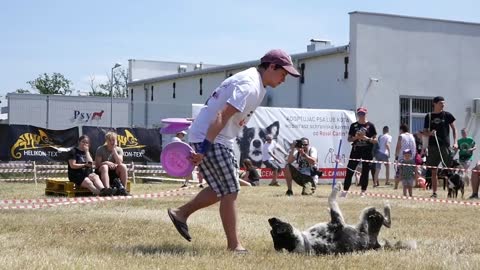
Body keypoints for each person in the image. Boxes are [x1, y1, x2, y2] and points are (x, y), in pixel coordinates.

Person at [167, 49, 300, 253]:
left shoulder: (256, 84)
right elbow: (221, 115)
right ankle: (234, 246)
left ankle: (180, 213)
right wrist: (204, 148)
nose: (284, 79)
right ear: (272, 67)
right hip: (212, 138)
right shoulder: (249, 85)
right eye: (283, 74)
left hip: (217, 137)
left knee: (221, 189)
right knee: (231, 190)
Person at [423, 96, 457, 198]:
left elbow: (454, 130)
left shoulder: (447, 115)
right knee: (434, 170)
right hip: (433, 146)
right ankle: (434, 192)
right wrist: (430, 133)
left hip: (445, 146)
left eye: (443, 103)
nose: (443, 105)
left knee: (448, 169)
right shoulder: (428, 116)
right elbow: (424, 132)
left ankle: (450, 192)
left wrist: (455, 143)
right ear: (434, 104)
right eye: (440, 103)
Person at [341, 107, 377, 197]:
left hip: (367, 150)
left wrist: (366, 138)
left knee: (365, 171)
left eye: (363, 114)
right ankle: (345, 191)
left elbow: (375, 140)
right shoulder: (354, 126)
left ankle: (363, 191)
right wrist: (356, 137)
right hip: (356, 149)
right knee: (350, 170)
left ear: (366, 114)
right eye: (360, 114)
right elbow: (349, 139)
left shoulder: (371, 125)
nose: (361, 116)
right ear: (357, 114)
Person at [95, 131, 129, 196]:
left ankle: (123, 190)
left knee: (123, 166)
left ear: (116, 141)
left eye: (113, 140)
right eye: (110, 140)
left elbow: (119, 162)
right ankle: (107, 190)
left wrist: (114, 150)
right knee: (105, 166)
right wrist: (106, 162)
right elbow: (97, 165)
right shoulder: (100, 149)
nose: (111, 142)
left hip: (114, 171)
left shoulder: (119, 149)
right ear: (106, 141)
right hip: (102, 171)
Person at [394, 124, 416, 190]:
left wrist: (396, 155)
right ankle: (409, 186)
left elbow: (398, 146)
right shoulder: (412, 136)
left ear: (401, 130)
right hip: (411, 157)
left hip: (402, 157)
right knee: (409, 173)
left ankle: (396, 186)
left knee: (399, 171)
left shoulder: (401, 136)